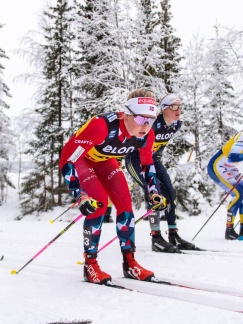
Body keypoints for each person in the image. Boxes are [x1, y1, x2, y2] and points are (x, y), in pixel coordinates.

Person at [59, 89, 167, 285]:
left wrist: (154, 192)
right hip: (81, 161)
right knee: (98, 205)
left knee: (126, 206)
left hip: (105, 162)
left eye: (150, 120)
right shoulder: (101, 126)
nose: (146, 126)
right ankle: (90, 264)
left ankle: (130, 263)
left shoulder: (146, 135)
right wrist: (79, 194)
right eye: (142, 119)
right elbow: (68, 159)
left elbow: (146, 164)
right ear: (126, 114)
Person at [125, 94, 202, 253]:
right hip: (135, 159)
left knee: (170, 192)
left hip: (153, 159)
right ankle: (156, 237)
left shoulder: (176, 124)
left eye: (180, 107)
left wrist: (157, 157)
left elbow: (159, 145)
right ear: (164, 109)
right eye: (174, 107)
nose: (178, 111)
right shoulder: (152, 123)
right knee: (155, 191)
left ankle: (173, 234)